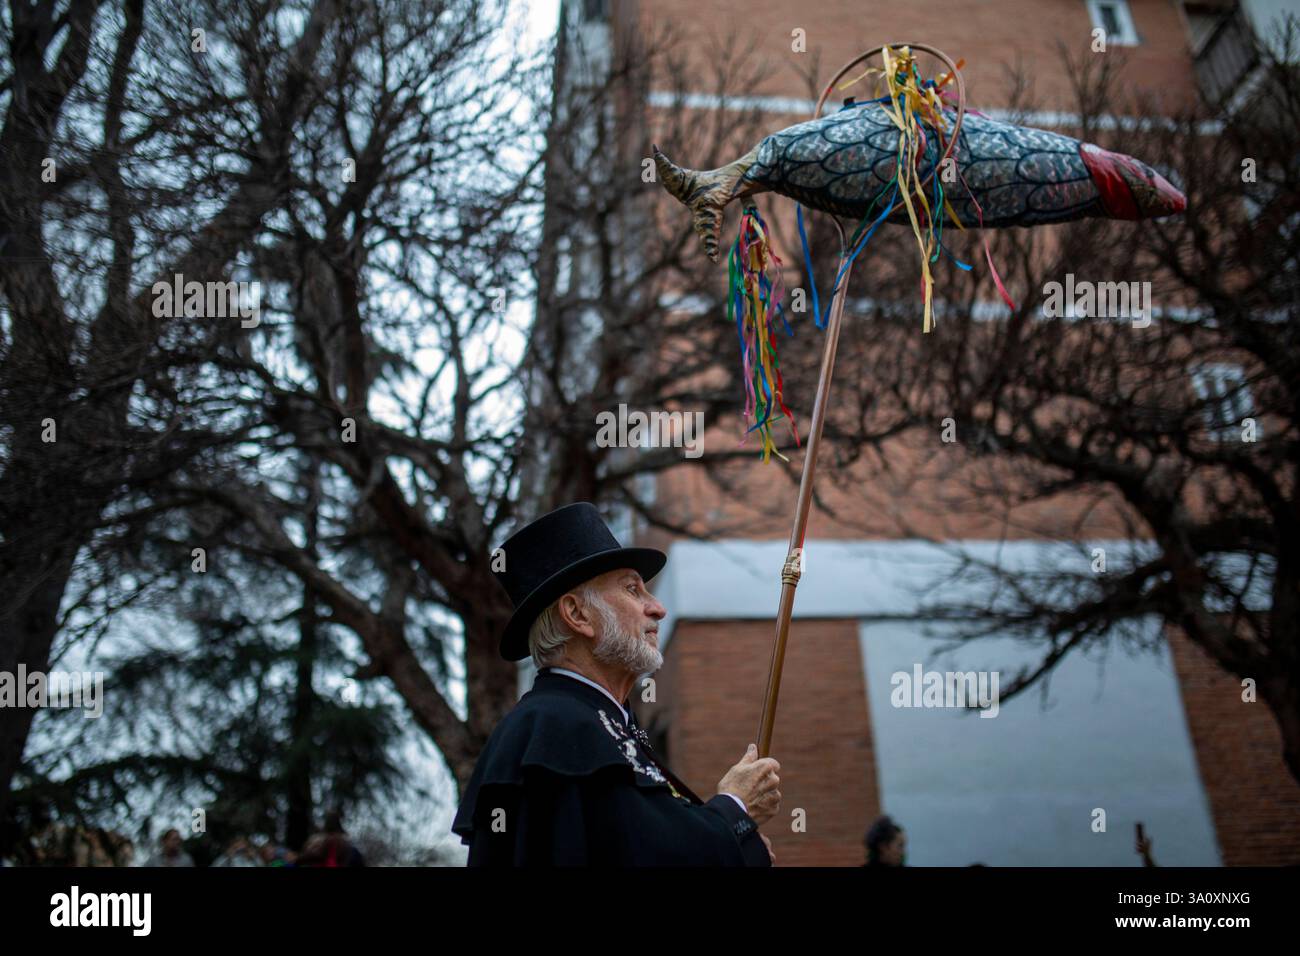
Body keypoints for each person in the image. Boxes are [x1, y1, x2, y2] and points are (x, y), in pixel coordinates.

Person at [452, 502, 780, 866]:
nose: (657, 608)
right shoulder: (554, 724)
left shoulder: (591, 721)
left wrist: (741, 840)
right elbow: (649, 855)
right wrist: (735, 808)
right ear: (577, 614)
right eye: (633, 589)